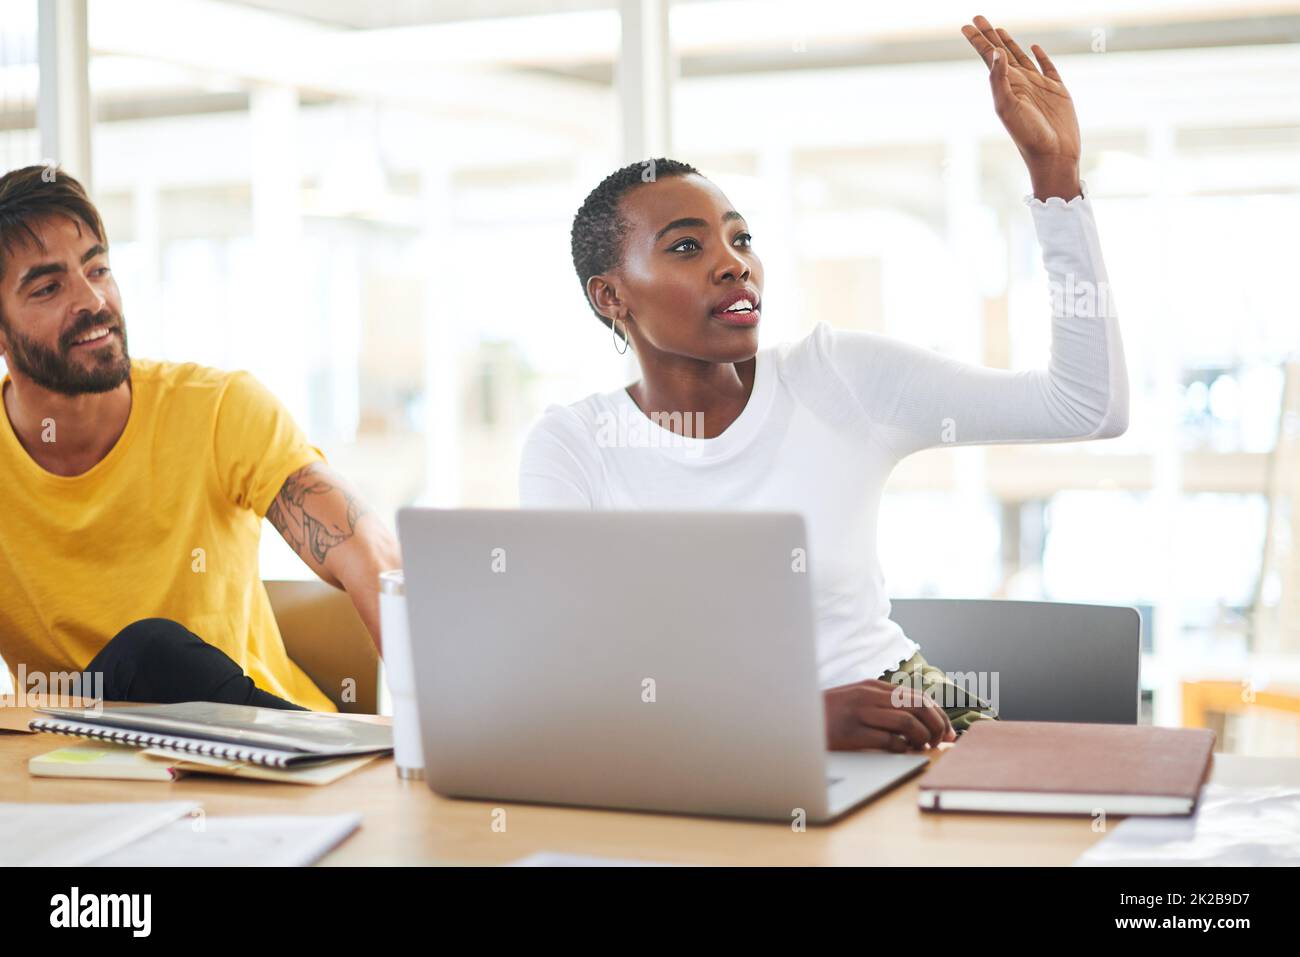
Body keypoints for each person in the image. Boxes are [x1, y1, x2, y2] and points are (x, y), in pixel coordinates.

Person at [520, 17, 1128, 751]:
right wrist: (791, 720)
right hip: (691, 745)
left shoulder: (836, 377)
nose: (733, 264)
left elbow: (1086, 406)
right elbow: (561, 676)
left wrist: (1055, 179)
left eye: (740, 238)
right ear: (611, 297)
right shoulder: (572, 445)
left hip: (903, 718)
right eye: (687, 245)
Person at [0, 165, 400, 711]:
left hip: (264, 754)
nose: (93, 300)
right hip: (83, 771)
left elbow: (365, 550)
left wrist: (439, 729)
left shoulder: (217, 408)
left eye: (99, 268)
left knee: (150, 652)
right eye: (49, 287)